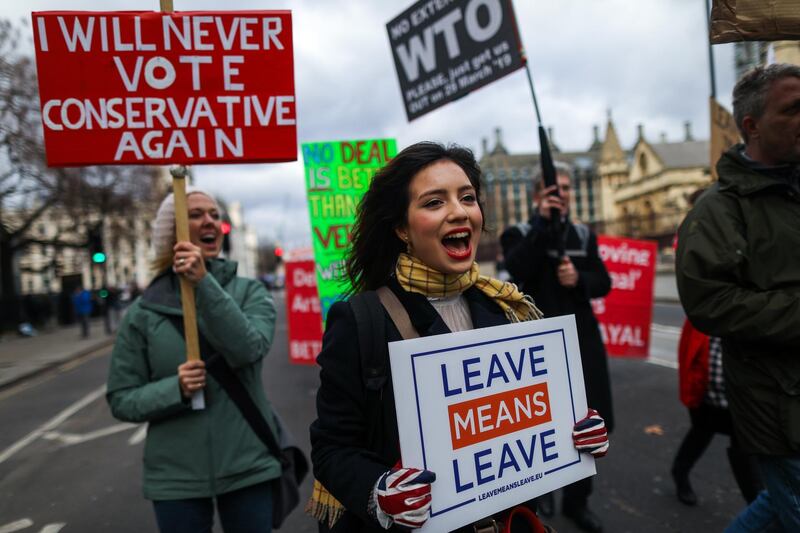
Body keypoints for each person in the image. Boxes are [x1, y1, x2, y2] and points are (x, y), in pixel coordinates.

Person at [309, 142, 610, 533]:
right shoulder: (361, 320)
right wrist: (380, 491)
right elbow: (333, 448)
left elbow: (522, 419)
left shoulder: (505, 306)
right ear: (402, 228)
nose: (458, 212)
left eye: (467, 197)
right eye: (434, 202)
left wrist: (573, 433)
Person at [106, 187, 279, 533]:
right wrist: (177, 389)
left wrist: (204, 284)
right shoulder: (143, 312)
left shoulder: (249, 292)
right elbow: (121, 397)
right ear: (173, 233)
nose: (210, 221)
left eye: (215, 214)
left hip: (248, 465)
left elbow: (249, 349)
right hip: (175, 479)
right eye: (196, 214)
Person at [676, 63, 800, 532]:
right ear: (751, 125)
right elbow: (710, 303)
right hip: (779, 409)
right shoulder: (717, 210)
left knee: (776, 507)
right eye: (793, 109)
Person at [500, 162, 613, 533]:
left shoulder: (582, 234)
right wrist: (541, 229)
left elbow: (603, 282)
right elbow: (513, 273)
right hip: (538, 348)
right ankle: (541, 492)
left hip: (582, 342)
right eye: (553, 188)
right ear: (537, 195)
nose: (561, 193)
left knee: (589, 424)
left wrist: (579, 277)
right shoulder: (518, 233)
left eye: (565, 187)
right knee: (542, 427)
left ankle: (577, 502)